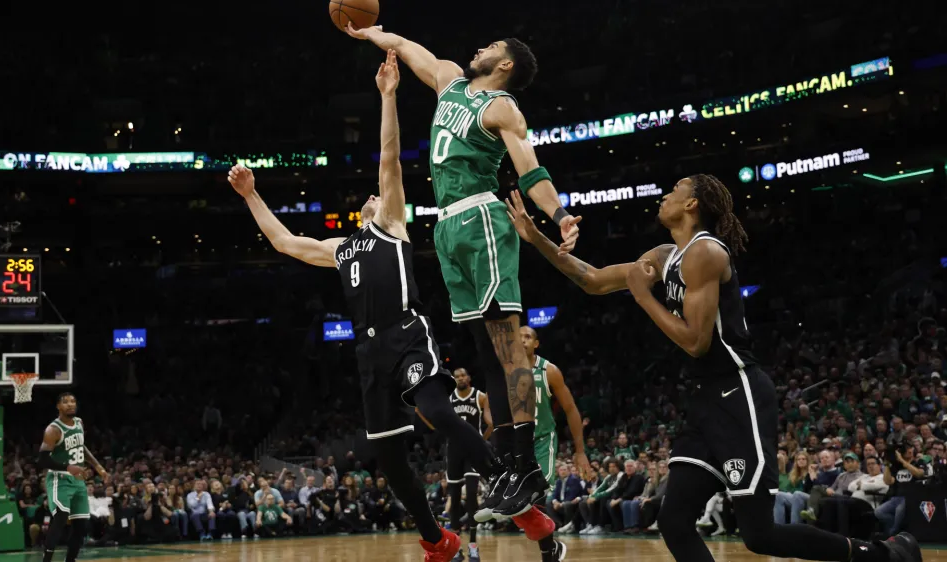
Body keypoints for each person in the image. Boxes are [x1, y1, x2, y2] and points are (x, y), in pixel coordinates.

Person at [506, 176, 922, 561]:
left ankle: (883, 556)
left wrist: (643, 297)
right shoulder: (666, 255)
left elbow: (696, 341)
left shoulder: (705, 252)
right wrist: (535, 237)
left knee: (759, 534)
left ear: (691, 204)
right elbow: (594, 280)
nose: (664, 195)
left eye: (674, 189)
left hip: (738, 393)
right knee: (673, 521)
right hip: (703, 400)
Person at [229, 51, 497, 562]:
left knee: (437, 410)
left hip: (406, 333)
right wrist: (251, 196)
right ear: (359, 212)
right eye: (370, 197)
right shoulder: (341, 248)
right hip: (370, 356)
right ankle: (437, 540)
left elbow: (388, 158)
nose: (374, 195)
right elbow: (285, 242)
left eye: (377, 194)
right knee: (390, 461)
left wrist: (388, 96)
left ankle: (502, 480)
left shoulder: (392, 223)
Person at [347, 24, 580, 559]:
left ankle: (523, 465)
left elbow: (529, 169)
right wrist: (373, 33)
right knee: (483, 351)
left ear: (506, 65)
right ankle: (510, 463)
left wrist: (559, 214)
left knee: (506, 345)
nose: (480, 47)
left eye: (492, 48)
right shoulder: (450, 80)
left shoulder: (502, 108)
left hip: (481, 219)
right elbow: (409, 49)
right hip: (448, 226)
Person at [519, 325, 589, 555]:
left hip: (542, 440)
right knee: (518, 502)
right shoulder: (506, 370)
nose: (523, 340)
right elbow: (492, 407)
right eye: (518, 337)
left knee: (536, 491)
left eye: (528, 337)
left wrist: (580, 451)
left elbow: (570, 409)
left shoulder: (549, 371)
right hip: (518, 441)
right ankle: (551, 548)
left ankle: (548, 552)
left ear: (536, 343)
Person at [38, 393, 107, 562]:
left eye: (73, 401)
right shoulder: (53, 430)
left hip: (78, 480)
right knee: (61, 517)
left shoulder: (79, 423)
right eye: (65, 402)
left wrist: (98, 466)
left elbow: (81, 446)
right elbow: (43, 460)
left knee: (81, 525)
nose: (70, 404)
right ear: (58, 406)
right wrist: (69, 467)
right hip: (59, 479)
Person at [445, 367, 492, 562]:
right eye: (457, 376)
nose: (460, 378)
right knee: (455, 498)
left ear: (469, 377)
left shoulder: (480, 397)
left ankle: (473, 544)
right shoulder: (448, 399)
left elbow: (491, 423)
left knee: (472, 494)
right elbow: (435, 420)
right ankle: (456, 547)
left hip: (473, 452)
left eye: (463, 375)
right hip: (454, 451)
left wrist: (481, 442)